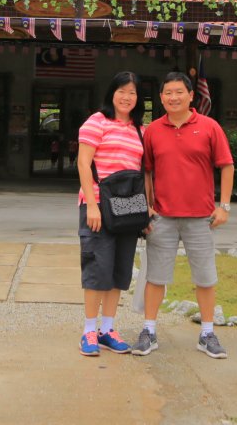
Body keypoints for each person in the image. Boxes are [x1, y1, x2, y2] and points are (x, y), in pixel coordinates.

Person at [133, 71, 234, 360]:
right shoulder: (152, 130)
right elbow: (148, 171)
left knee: (205, 277)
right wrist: (149, 206)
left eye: (179, 92)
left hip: (201, 217)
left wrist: (223, 206)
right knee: (155, 277)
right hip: (162, 216)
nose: (173, 97)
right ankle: (149, 331)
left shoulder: (209, 127)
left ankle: (207, 333)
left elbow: (226, 166)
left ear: (191, 96)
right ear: (161, 97)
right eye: (167, 92)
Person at [75, 71, 146, 356]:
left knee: (119, 270)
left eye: (132, 92)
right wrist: (91, 205)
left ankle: (107, 328)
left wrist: (147, 208)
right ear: (111, 93)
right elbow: (83, 164)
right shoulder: (96, 122)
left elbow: (144, 173)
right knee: (97, 268)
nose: (126, 97)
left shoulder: (141, 129)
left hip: (129, 208)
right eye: (121, 91)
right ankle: (89, 331)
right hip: (98, 205)